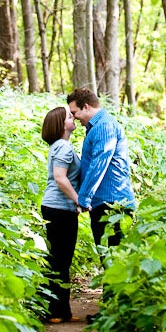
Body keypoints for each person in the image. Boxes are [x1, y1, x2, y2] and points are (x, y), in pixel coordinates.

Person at [67, 87, 136, 257]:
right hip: (103, 203)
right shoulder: (97, 127)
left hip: (112, 203)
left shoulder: (104, 126)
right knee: (108, 258)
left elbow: (99, 164)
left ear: (86, 107)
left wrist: (83, 198)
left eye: (74, 112)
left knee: (114, 260)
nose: (74, 118)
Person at [40, 104, 81, 324]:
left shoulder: (60, 146)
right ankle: (54, 311)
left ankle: (62, 310)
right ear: (60, 124)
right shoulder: (63, 147)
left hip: (58, 208)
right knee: (59, 261)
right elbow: (60, 177)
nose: (73, 117)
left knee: (61, 260)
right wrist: (79, 200)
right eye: (68, 116)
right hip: (58, 208)